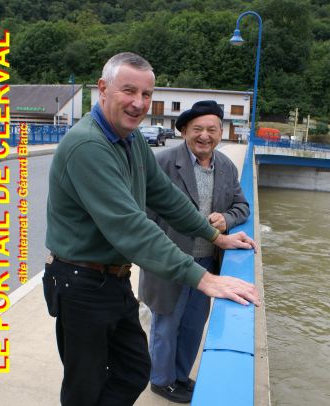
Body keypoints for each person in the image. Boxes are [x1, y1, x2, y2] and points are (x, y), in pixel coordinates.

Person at [43, 52, 260, 406]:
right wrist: (204, 279)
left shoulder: (130, 141)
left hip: (112, 278)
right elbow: (131, 227)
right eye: (129, 91)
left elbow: (168, 198)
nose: (139, 103)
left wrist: (216, 237)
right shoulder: (88, 145)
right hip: (79, 281)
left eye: (147, 94)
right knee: (85, 384)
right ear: (102, 89)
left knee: (133, 368)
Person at [138, 100, 251, 403]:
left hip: (205, 263)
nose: (205, 136)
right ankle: (161, 381)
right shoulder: (163, 163)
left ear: (220, 132)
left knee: (192, 325)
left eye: (211, 129)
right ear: (185, 130)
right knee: (166, 323)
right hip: (169, 261)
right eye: (197, 129)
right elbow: (143, 216)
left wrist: (226, 219)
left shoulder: (225, 166)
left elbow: (242, 206)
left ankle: (179, 376)